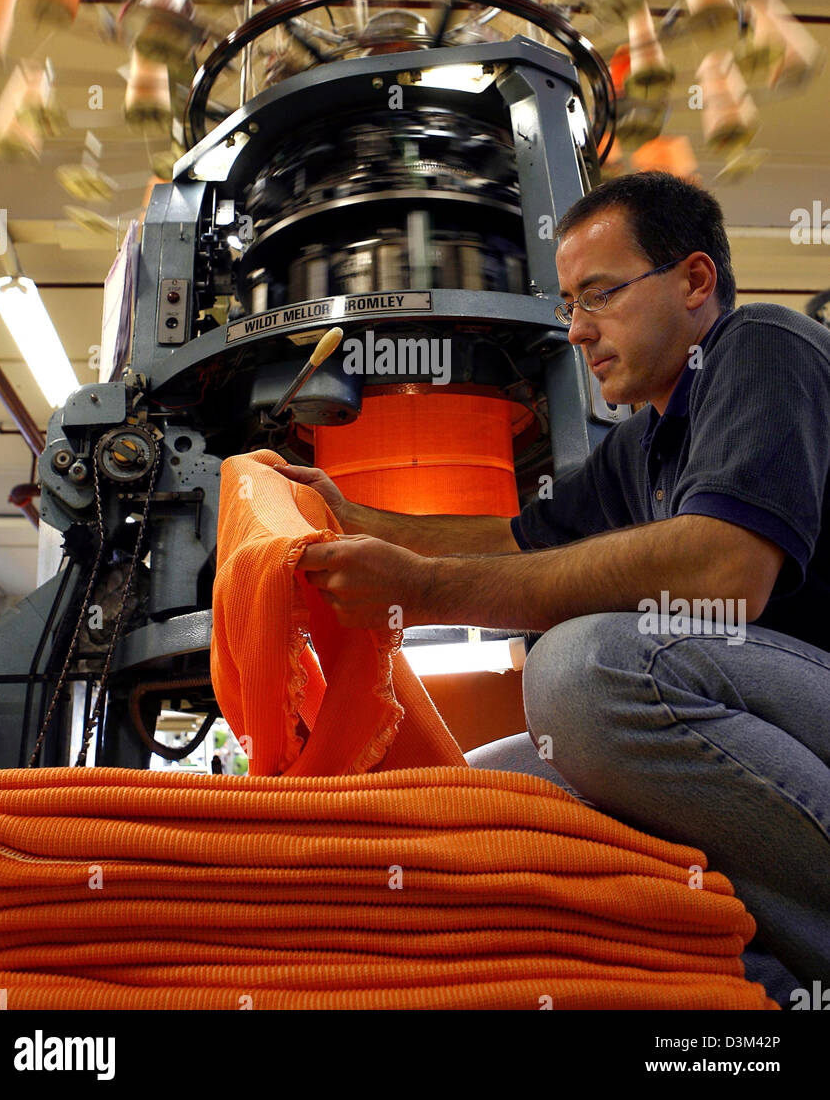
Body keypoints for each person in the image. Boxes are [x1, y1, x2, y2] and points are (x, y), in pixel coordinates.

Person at [274, 171, 830, 992]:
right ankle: (757, 977)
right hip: (773, 728)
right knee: (480, 793)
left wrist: (423, 592)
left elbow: (726, 569)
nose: (576, 331)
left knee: (582, 673)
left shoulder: (763, 349)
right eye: (569, 303)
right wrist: (351, 518)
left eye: (599, 296)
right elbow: (511, 539)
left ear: (695, 280)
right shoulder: (644, 444)